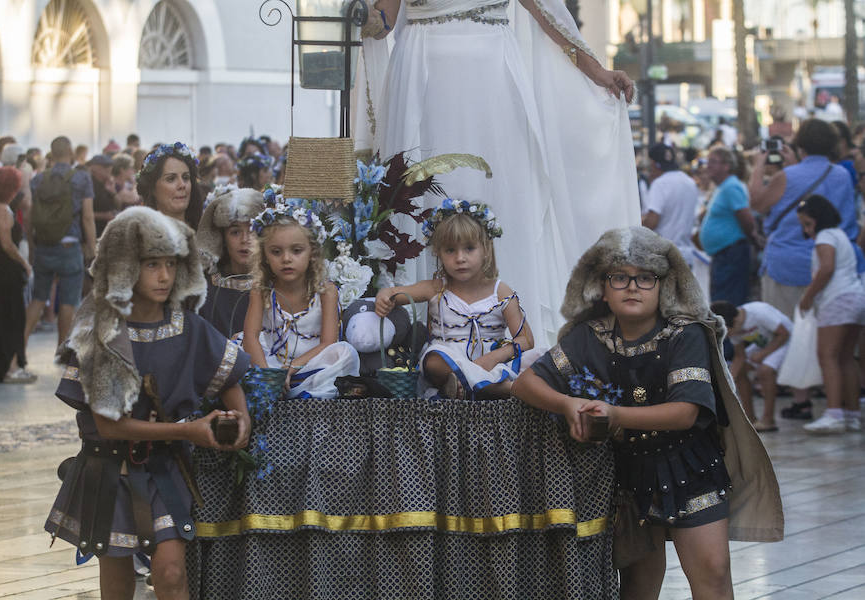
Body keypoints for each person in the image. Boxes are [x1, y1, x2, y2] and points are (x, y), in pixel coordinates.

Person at [513, 227, 783, 600]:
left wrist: (615, 415)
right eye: (620, 277)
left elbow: (686, 412)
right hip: (625, 474)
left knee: (713, 573)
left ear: (663, 287)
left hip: (690, 466)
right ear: (602, 289)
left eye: (645, 278)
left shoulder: (684, 334)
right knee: (637, 586)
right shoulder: (589, 335)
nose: (632, 287)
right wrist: (567, 404)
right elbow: (526, 383)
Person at [366, 0, 639, 343]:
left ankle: (511, 334)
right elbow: (381, 21)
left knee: (501, 196)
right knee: (421, 196)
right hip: (423, 73)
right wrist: (348, 16)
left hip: (492, 76)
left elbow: (546, 15)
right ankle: (424, 333)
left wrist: (598, 72)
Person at [44, 206, 251, 599]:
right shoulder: (101, 331)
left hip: (164, 469)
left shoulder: (187, 325)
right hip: (108, 468)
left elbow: (231, 381)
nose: (164, 276)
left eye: (171, 264)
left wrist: (239, 423)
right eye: (151, 264)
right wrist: (188, 430)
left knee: (171, 573)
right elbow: (109, 425)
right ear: (123, 267)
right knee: (118, 582)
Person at [375, 198, 536, 399]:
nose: (460, 258)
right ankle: (501, 389)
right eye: (450, 250)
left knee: (544, 359)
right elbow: (394, 294)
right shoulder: (436, 288)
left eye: (469, 248)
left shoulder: (500, 291)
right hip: (448, 361)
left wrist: (494, 357)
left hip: (492, 362)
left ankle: (464, 387)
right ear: (439, 254)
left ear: (486, 249)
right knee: (433, 360)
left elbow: (527, 340)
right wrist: (384, 297)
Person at [242, 201, 359, 397]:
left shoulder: (326, 291)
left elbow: (327, 343)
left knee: (345, 353)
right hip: (269, 363)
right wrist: (269, 376)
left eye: (296, 251)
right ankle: (270, 388)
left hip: (307, 365)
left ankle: (306, 391)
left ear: (312, 253)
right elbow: (251, 337)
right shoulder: (261, 291)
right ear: (264, 256)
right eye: (276, 252)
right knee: (234, 352)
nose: (286, 259)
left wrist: (291, 368)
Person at [750, 118, 862, 318]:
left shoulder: (786, 176)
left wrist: (758, 164)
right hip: (828, 266)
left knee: (784, 333)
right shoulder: (842, 175)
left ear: (800, 144)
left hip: (787, 265)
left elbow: (757, 202)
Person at [796, 196, 865, 434]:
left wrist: (808, 296)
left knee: (828, 356)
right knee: (846, 358)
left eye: (807, 224)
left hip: (836, 299)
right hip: (855, 297)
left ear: (817, 220)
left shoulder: (825, 237)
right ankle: (853, 415)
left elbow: (826, 268)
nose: (806, 231)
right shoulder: (841, 234)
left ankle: (834, 413)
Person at [23, 136, 95, 348]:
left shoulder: (38, 180)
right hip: (69, 246)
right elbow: (87, 217)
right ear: (70, 152)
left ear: (51, 153)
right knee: (68, 302)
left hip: (44, 245)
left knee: (37, 299)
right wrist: (93, 248)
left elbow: (29, 216)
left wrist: (32, 245)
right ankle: (62, 350)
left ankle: (19, 349)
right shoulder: (81, 178)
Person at [711, 300, 808, 432]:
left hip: (788, 341)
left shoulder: (759, 312)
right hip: (767, 344)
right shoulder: (733, 327)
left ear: (733, 322)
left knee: (765, 370)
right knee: (740, 371)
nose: (726, 336)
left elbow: (784, 333)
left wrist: (764, 354)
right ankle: (750, 418)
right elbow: (740, 357)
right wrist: (729, 381)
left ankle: (768, 420)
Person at [0, 167, 35, 383]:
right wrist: (25, 264)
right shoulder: (2, 209)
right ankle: (11, 367)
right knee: (11, 319)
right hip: (4, 273)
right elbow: (7, 244)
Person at [196, 186, 264, 338]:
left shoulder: (277, 285)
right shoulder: (205, 289)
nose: (245, 240)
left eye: (252, 230)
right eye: (235, 232)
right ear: (223, 238)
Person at [699, 148, 759, 306]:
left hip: (731, 254)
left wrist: (752, 238)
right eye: (708, 161)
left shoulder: (731, 187)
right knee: (721, 300)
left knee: (727, 303)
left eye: (713, 162)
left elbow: (746, 219)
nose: (708, 166)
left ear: (726, 166)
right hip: (724, 255)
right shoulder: (724, 187)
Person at [641, 143, 699, 266]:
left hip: (665, 256)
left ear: (654, 164)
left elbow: (652, 221)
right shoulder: (690, 182)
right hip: (686, 256)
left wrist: (639, 223)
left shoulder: (660, 184)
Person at [136, 142, 204, 230]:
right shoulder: (140, 236)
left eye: (186, 177)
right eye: (171, 179)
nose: (182, 185)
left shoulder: (206, 231)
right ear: (152, 188)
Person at [87, 154, 118, 237]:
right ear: (95, 168)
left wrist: (113, 192)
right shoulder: (88, 184)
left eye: (110, 165)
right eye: (105, 166)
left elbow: (117, 205)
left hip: (106, 231)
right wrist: (103, 216)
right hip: (94, 232)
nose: (109, 168)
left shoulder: (107, 183)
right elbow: (83, 213)